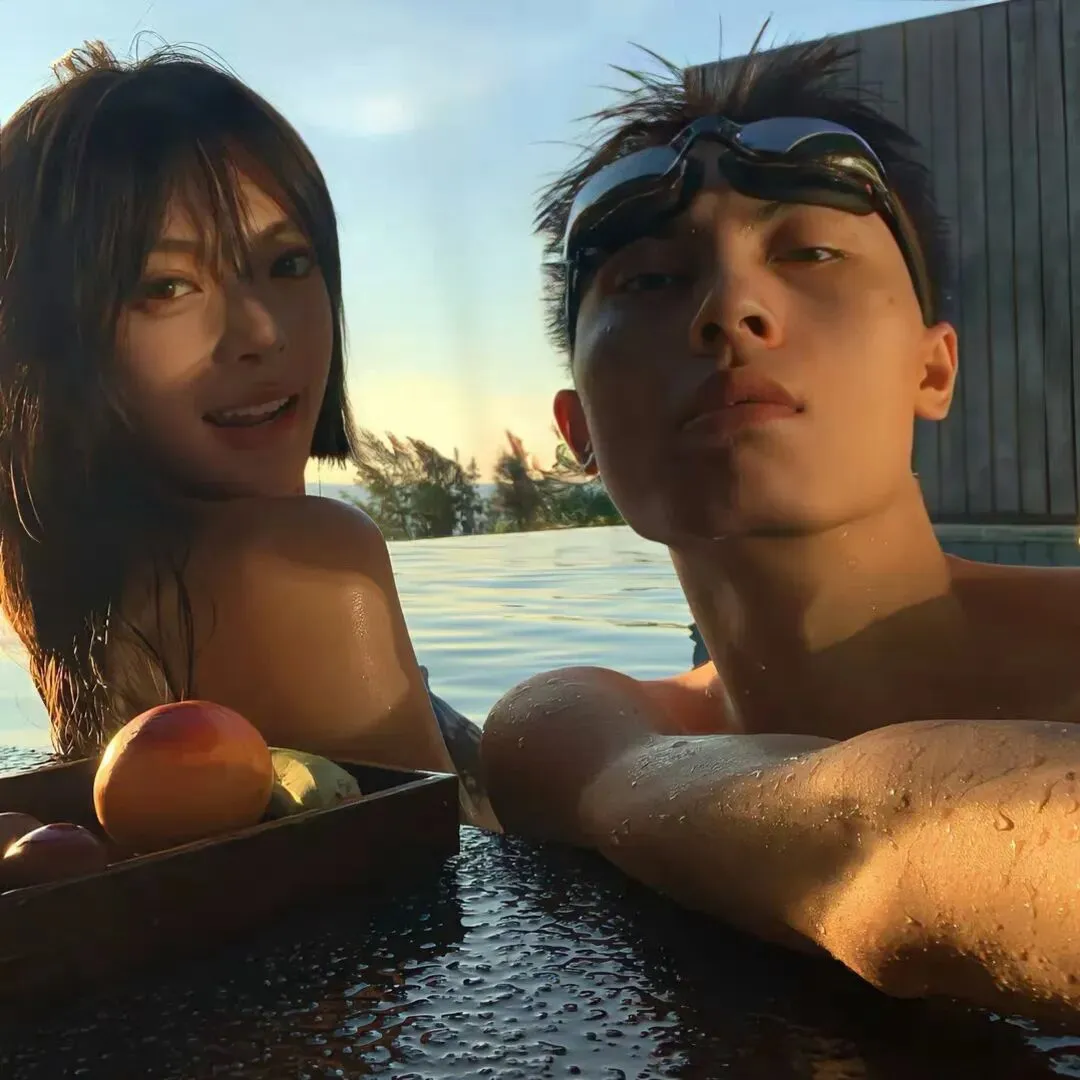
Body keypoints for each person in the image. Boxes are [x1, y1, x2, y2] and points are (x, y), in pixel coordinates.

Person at [482, 36, 1080, 1020]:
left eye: (809, 253)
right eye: (651, 280)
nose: (731, 309)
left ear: (932, 368)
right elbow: (872, 848)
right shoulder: (580, 724)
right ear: (579, 432)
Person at [0, 42, 495, 828]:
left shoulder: (101, 597)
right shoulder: (302, 567)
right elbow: (458, 891)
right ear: (50, 341)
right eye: (167, 285)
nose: (262, 330)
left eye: (288, 263)